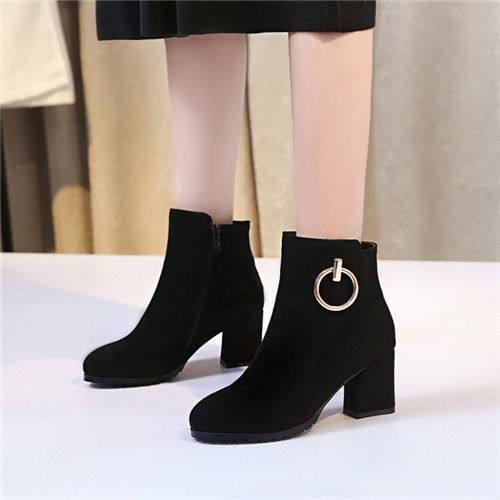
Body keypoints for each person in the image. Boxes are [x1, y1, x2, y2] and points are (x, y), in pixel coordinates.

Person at [83, 0, 396, 444]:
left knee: (319, 5)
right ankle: (208, 276)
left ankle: (332, 299)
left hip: (333, 298)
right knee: (196, 5)